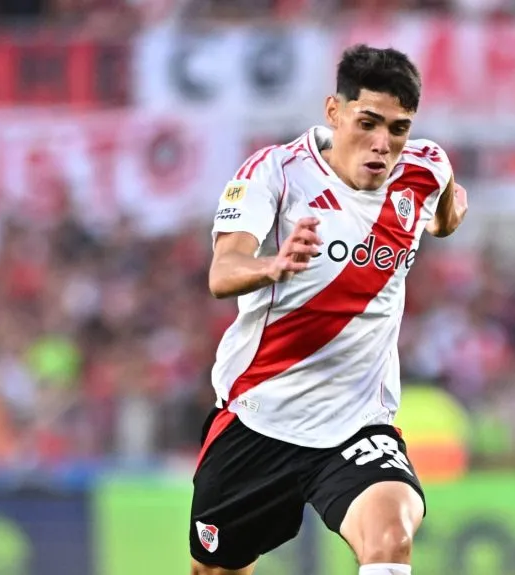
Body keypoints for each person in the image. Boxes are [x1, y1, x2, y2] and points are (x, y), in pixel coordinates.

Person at [190, 44, 467, 575]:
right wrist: (272, 266)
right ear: (334, 111)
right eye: (368, 122)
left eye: (399, 128)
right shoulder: (276, 172)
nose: (383, 144)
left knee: (390, 537)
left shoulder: (426, 167)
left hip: (357, 427)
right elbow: (222, 272)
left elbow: (446, 208)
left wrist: (449, 218)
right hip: (260, 418)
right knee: (215, 570)